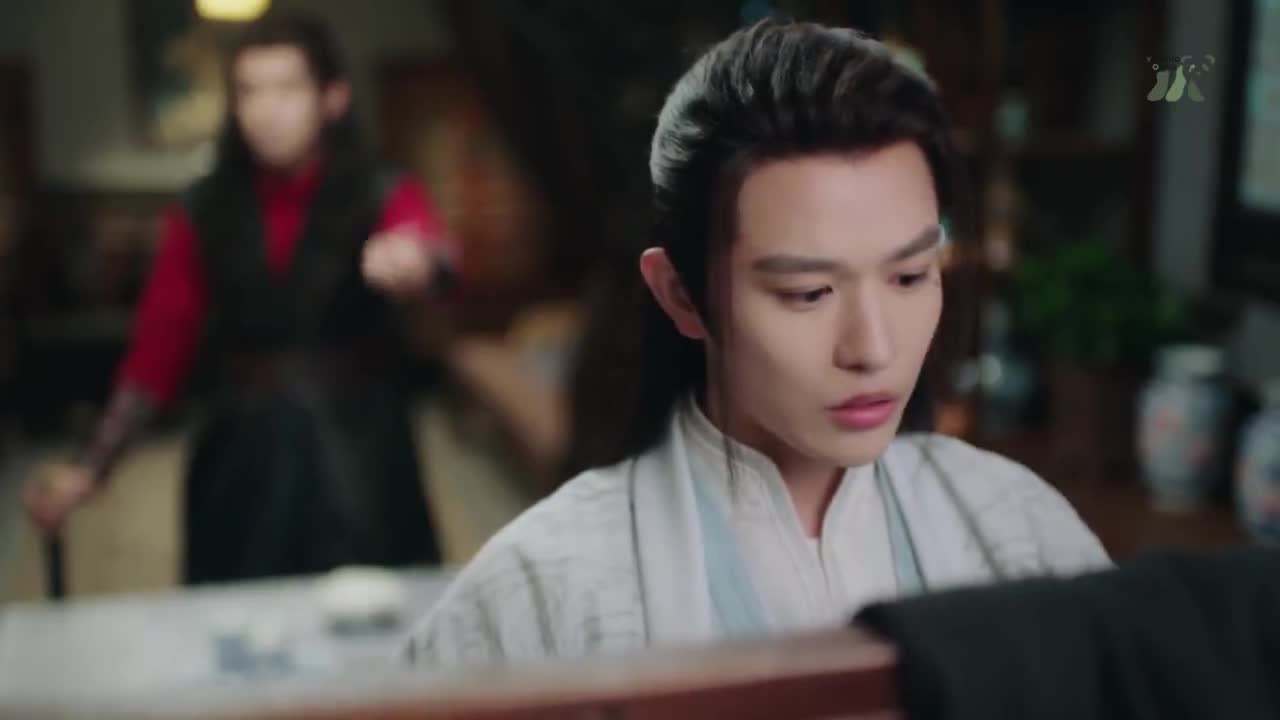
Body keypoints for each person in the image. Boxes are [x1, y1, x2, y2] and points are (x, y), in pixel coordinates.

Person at [402, 20, 1107, 667]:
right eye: (808, 292)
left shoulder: (1015, 529)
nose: (872, 348)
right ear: (682, 294)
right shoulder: (544, 588)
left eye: (909, 276)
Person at [23, 12, 456, 584]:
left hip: (361, 448)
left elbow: (434, 255)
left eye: (287, 89)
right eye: (249, 91)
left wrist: (417, 262)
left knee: (378, 610)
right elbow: (160, 346)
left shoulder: (383, 189)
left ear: (332, 99)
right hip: (241, 449)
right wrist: (92, 465)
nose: (266, 111)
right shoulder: (202, 208)